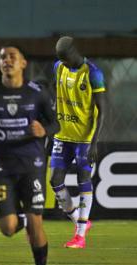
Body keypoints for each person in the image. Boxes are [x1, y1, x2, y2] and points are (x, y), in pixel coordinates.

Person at [0, 45, 58, 265]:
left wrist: (45, 130)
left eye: (12, 57)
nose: (7, 60)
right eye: (2, 57)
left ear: (23, 63)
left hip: (32, 165)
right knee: (8, 228)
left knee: (36, 223)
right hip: (2, 165)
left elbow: (55, 123)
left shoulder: (37, 93)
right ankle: (20, 218)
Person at [49, 36, 107, 249]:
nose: (62, 61)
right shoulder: (58, 67)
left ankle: (80, 235)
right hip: (63, 135)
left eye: (64, 57)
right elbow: (57, 98)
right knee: (55, 181)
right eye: (59, 58)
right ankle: (78, 218)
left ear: (73, 51)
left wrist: (94, 142)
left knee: (84, 178)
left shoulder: (93, 73)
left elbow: (102, 111)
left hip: (84, 138)